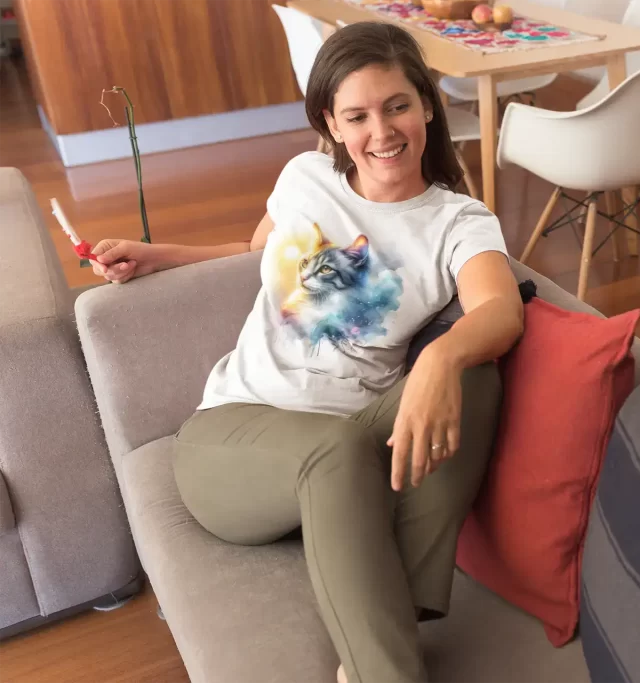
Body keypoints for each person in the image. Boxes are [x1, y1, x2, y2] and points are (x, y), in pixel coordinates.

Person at [89, 22, 524, 683]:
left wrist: (441, 359)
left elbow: (499, 309)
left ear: (428, 106)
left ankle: (390, 616)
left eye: (398, 106)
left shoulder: (457, 221)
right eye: (358, 116)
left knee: (476, 377)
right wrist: (157, 257)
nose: (382, 131)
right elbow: (254, 250)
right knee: (335, 448)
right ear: (331, 123)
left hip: (353, 445)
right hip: (233, 437)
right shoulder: (305, 177)